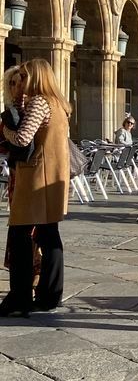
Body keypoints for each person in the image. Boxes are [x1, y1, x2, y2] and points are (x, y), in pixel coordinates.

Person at [0, 59, 71, 317]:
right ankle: (50, 295)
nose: (21, 81)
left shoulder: (40, 102)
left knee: (20, 238)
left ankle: (20, 297)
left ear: (37, 77)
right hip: (53, 176)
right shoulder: (60, 104)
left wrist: (6, 128)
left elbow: (21, 138)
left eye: (25, 77)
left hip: (35, 178)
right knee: (49, 235)